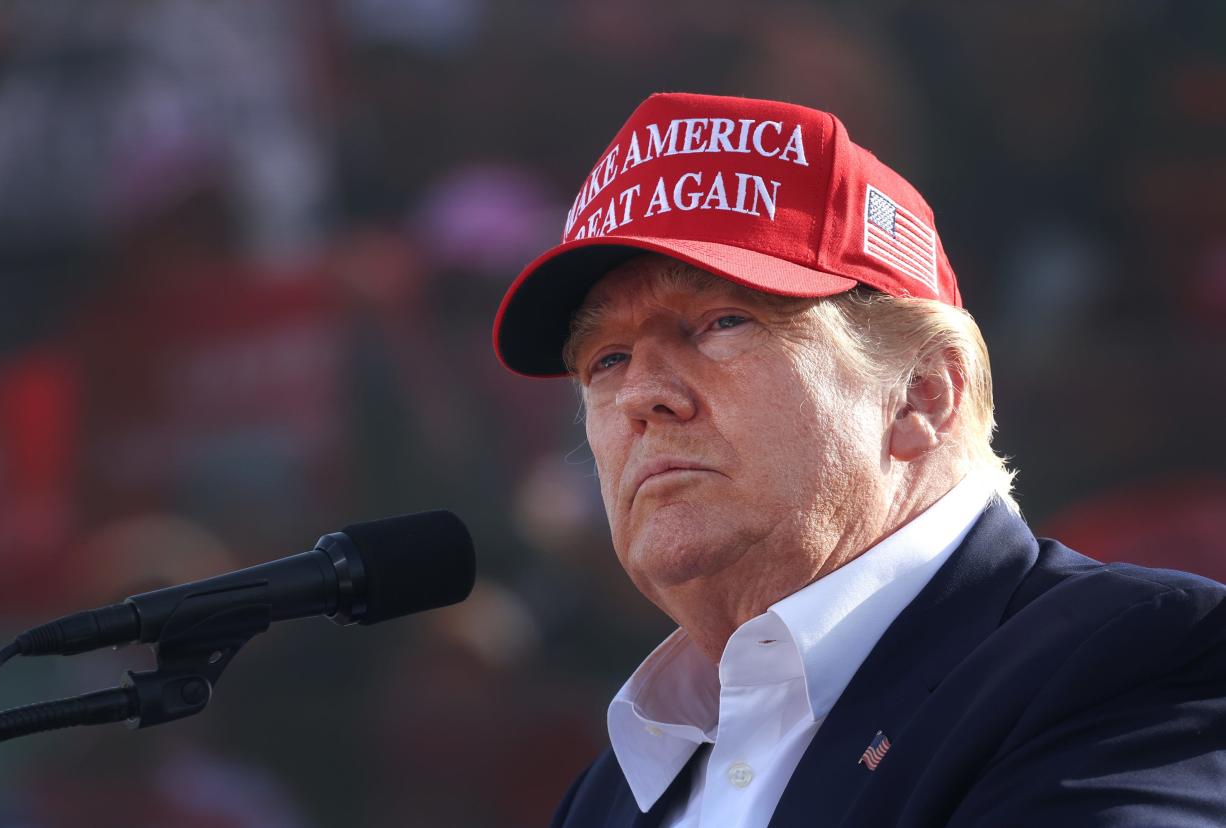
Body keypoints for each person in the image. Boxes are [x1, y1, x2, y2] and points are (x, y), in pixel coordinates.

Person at [491, 93, 1226, 827]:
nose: (643, 396)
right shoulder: (606, 797)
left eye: (721, 323)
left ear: (923, 395)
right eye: (607, 359)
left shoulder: (1133, 656)